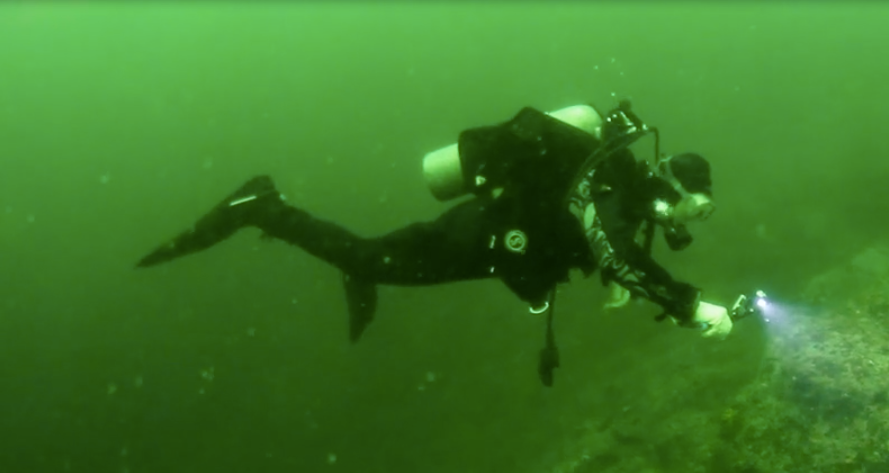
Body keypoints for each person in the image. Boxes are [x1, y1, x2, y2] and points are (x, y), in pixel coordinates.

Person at [135, 101, 733, 385]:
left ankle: (347, 263)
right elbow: (615, 249)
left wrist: (618, 281)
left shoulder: (619, 190)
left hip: (489, 237)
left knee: (374, 258)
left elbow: (605, 244)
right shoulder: (614, 189)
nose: (693, 220)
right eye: (697, 207)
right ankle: (262, 206)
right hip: (477, 238)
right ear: (675, 185)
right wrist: (688, 305)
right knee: (367, 257)